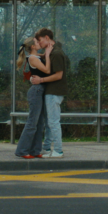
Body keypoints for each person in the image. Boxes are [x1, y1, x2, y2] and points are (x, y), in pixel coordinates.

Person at [30, 28, 67, 159]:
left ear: (47, 37)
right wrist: (42, 54)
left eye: (40, 40)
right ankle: (47, 148)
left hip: (54, 91)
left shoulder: (56, 53)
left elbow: (58, 75)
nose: (39, 43)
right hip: (51, 91)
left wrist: (41, 80)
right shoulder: (52, 52)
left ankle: (58, 150)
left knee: (53, 122)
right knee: (50, 122)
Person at [14, 37, 52, 159]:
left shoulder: (35, 56)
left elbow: (41, 55)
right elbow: (47, 70)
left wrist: (46, 52)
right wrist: (47, 55)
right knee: (32, 122)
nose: (39, 43)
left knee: (39, 123)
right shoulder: (32, 58)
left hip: (40, 91)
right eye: (37, 42)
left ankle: (35, 150)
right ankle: (22, 150)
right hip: (36, 91)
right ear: (32, 47)